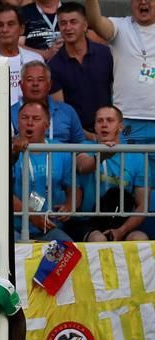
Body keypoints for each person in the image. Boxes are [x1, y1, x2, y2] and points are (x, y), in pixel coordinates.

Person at [86, 0, 155, 169]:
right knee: (128, 176)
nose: (143, 2)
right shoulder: (120, 26)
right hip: (127, 120)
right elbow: (95, 22)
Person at [68, 106, 150, 242]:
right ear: (95, 127)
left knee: (139, 238)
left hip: (120, 222)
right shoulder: (84, 147)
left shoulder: (137, 157)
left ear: (120, 126)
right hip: (87, 221)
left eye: (110, 120)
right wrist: (100, 157)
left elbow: (142, 205)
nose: (104, 125)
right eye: (99, 121)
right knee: (99, 239)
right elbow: (82, 166)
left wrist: (121, 230)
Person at [11, 101, 80, 241]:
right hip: (14, 228)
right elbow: (2, 191)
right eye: (24, 118)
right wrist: (30, 215)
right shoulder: (8, 149)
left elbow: (74, 188)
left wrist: (69, 205)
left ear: (47, 124)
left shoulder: (60, 150)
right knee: (15, 252)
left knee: (69, 249)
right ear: (17, 122)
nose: (29, 123)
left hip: (50, 227)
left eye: (36, 118)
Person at [48, 2, 113, 139]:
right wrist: (89, 136)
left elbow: (118, 93)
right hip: (77, 138)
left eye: (73, 22)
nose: (68, 28)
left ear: (85, 25)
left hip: (110, 133)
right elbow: (62, 111)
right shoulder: (54, 65)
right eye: (63, 23)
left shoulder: (105, 54)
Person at [0, 5, 43, 106]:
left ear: (22, 29)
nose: (5, 29)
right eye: (0, 25)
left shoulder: (35, 59)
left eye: (11, 24)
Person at [10, 61, 85, 144]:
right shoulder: (9, 114)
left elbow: (80, 144)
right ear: (21, 85)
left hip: (61, 152)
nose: (35, 84)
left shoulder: (67, 111)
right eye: (30, 80)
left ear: (49, 85)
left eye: (40, 80)